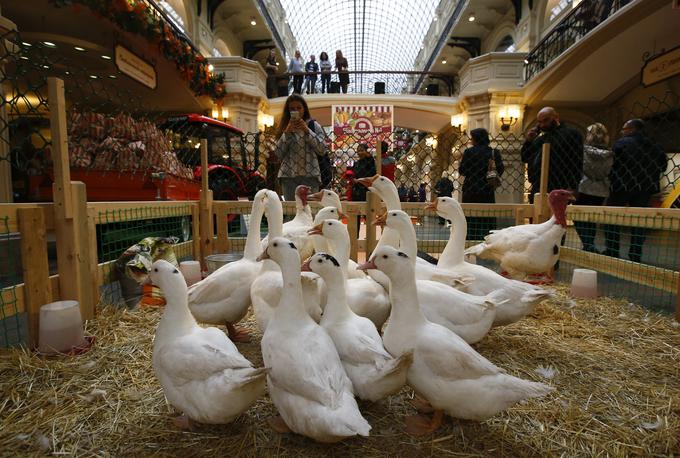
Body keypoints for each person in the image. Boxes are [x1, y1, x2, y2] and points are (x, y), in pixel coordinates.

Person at [603, 119, 667, 262]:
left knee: (612, 217)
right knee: (640, 220)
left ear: (631, 129)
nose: (622, 132)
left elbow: (611, 163)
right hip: (645, 187)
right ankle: (636, 251)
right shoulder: (655, 145)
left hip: (622, 185)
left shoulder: (621, 143)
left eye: (624, 129)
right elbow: (663, 166)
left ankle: (612, 249)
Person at [521, 106, 584, 203]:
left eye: (546, 120)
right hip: (539, 185)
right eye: (540, 122)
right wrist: (529, 141)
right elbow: (525, 157)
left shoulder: (572, 134)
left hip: (560, 184)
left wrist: (572, 186)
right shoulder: (541, 139)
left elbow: (577, 161)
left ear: (556, 117)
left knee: (556, 215)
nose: (542, 125)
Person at [275, 94, 326, 201]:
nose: (296, 111)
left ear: (304, 109)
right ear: (288, 111)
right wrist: (286, 133)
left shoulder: (314, 126)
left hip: (310, 175)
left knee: (310, 211)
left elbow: (322, 149)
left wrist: (307, 131)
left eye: (299, 108)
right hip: (288, 176)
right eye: (292, 109)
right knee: (290, 211)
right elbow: (278, 153)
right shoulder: (285, 127)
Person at [574, 123, 613, 253]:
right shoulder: (610, 153)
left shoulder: (583, 150)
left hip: (584, 186)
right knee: (591, 218)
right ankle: (589, 242)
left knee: (578, 217)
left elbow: (579, 168)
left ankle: (588, 243)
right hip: (601, 188)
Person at [460, 128, 505, 240]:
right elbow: (500, 169)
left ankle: (470, 238)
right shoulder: (493, 152)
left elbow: (462, 170)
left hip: (470, 188)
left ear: (475, 139)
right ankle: (486, 238)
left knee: (470, 215)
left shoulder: (468, 152)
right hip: (487, 188)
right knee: (486, 214)